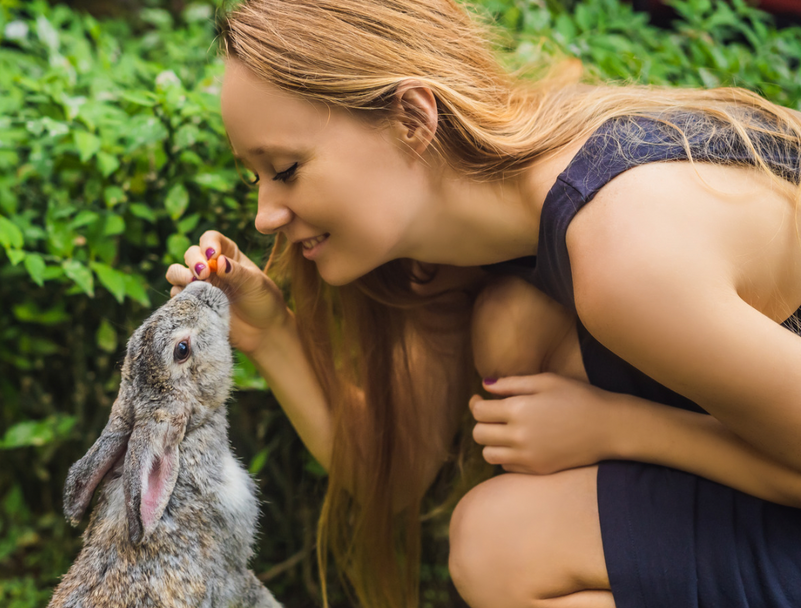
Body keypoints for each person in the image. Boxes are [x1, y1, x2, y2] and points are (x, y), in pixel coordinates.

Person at [162, 0, 801, 606]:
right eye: (256, 176)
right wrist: (272, 333)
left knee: (501, 543)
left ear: (413, 119)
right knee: (511, 331)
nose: (265, 216)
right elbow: (393, 468)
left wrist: (618, 427)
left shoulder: (623, 252)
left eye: (287, 168)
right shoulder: (475, 248)